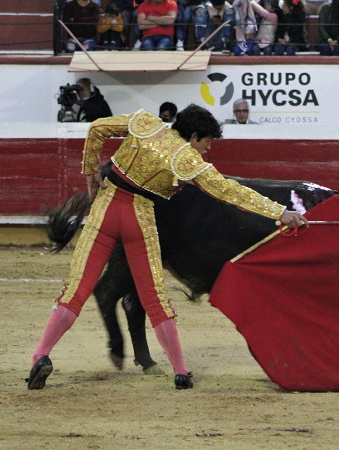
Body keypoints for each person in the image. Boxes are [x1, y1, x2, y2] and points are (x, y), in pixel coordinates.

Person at [26, 105, 308, 391]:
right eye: (206, 142)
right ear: (194, 136)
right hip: (139, 218)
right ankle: (181, 372)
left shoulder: (145, 121)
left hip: (106, 209)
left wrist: (90, 173)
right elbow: (230, 191)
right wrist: (279, 212)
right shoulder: (187, 159)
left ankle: (41, 355)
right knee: (154, 298)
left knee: (76, 291)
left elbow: (97, 128)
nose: (207, 149)